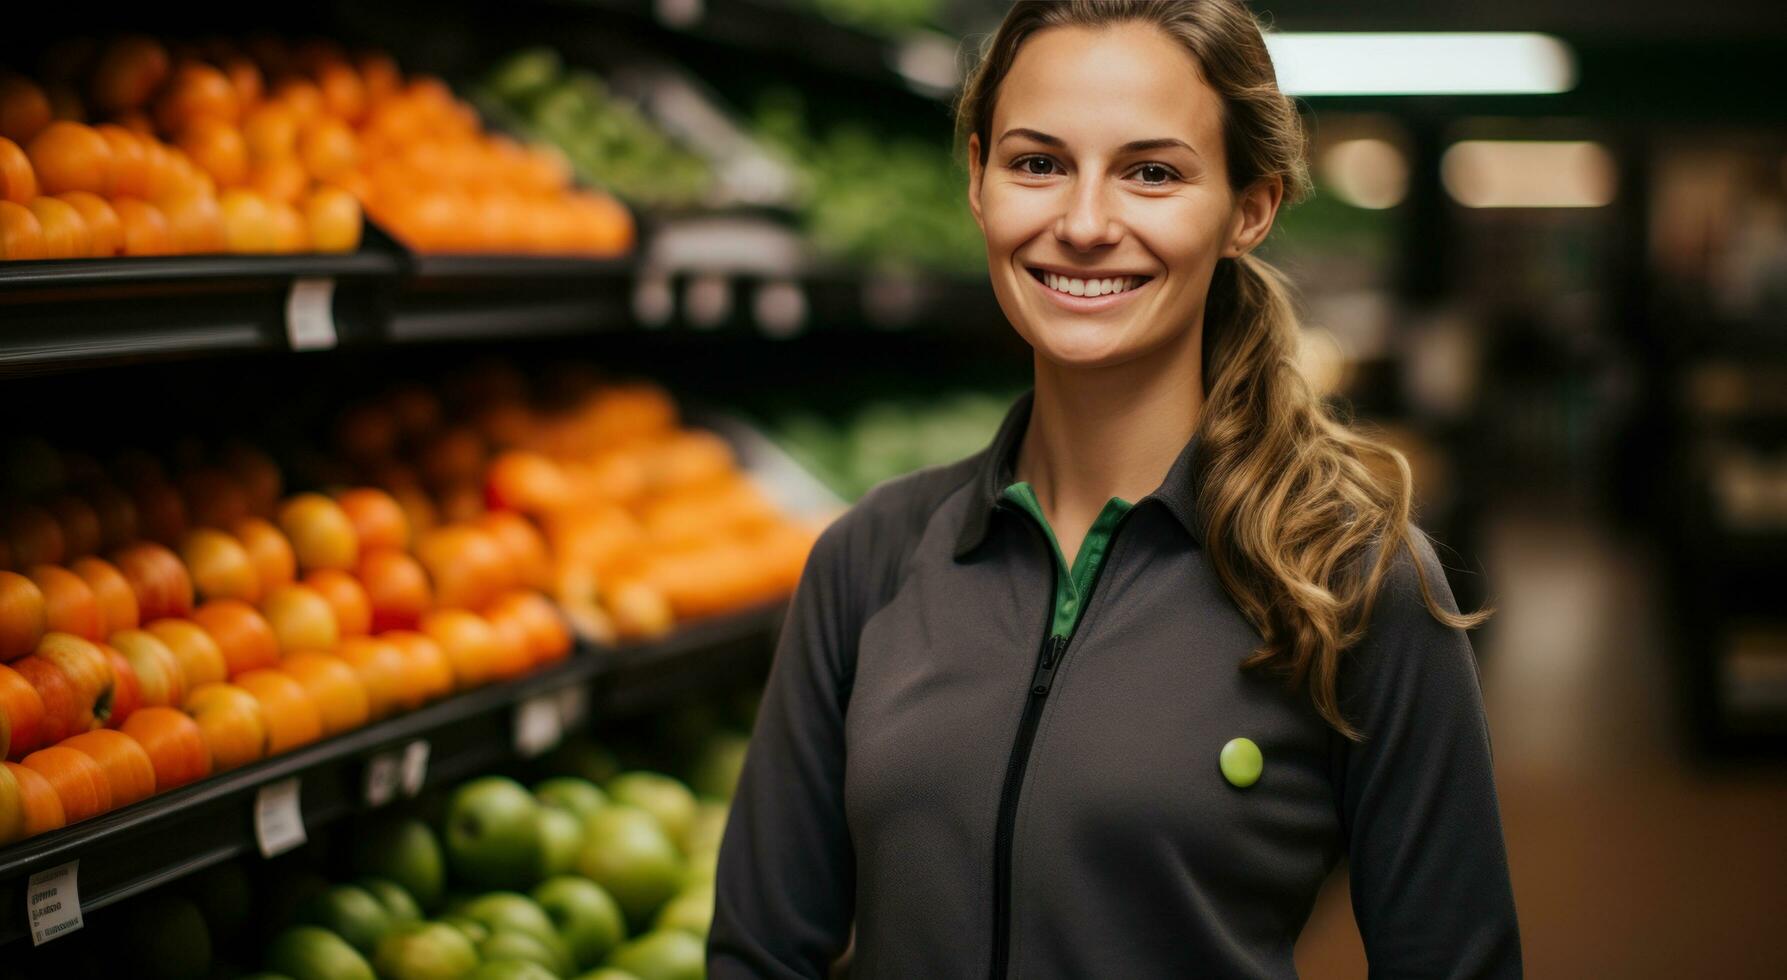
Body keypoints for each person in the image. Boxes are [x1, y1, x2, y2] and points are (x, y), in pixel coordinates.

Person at [709, 1, 1521, 976]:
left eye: (1152, 172)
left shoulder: (1353, 581)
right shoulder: (869, 555)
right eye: (1037, 163)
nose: (1084, 223)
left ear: (1248, 208)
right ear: (976, 181)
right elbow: (758, 954)